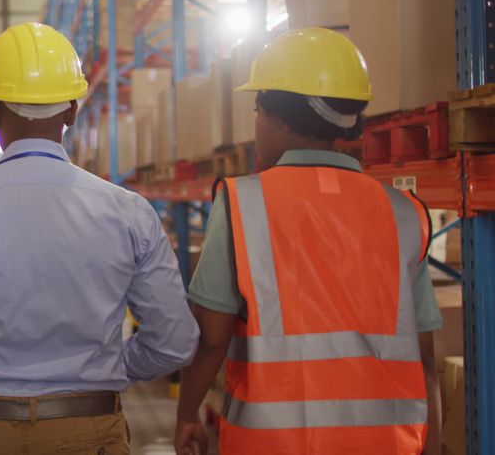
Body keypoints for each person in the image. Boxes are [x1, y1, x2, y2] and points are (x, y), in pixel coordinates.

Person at [0, 22, 199, 454]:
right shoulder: (128, 212)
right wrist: (111, 365)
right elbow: (175, 341)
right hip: (87, 425)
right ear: (72, 113)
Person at [174, 28, 443, 455]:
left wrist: (187, 414)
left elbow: (210, 337)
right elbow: (424, 355)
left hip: (273, 445)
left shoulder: (244, 203)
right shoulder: (403, 213)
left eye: (258, 110)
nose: (257, 124)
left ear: (281, 117)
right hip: (388, 445)